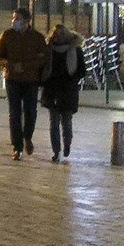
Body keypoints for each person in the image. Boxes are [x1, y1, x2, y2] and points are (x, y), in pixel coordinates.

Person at [0, 8, 51, 161]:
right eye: (14, 18)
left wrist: (26, 66)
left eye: (17, 18)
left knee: (30, 111)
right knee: (14, 113)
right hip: (12, 78)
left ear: (26, 21)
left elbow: (44, 57)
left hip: (31, 80)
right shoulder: (7, 35)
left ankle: (27, 137)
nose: (14, 21)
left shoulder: (36, 37)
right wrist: (10, 64)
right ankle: (17, 147)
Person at [40, 20, 85, 161]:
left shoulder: (75, 50)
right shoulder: (48, 49)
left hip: (68, 90)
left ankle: (67, 145)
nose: (57, 37)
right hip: (52, 89)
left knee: (66, 122)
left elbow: (82, 70)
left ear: (67, 35)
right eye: (55, 34)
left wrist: (72, 81)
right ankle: (56, 151)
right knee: (53, 122)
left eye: (60, 34)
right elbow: (42, 68)